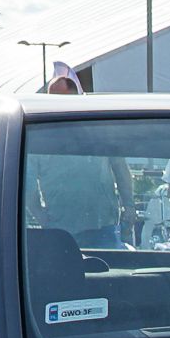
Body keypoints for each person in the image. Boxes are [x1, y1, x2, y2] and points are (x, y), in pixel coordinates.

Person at [32, 63, 138, 246]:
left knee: (109, 270)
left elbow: (121, 169)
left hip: (102, 223)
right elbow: (28, 181)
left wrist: (129, 205)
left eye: (60, 100)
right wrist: (39, 214)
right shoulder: (41, 134)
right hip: (59, 226)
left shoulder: (98, 130)